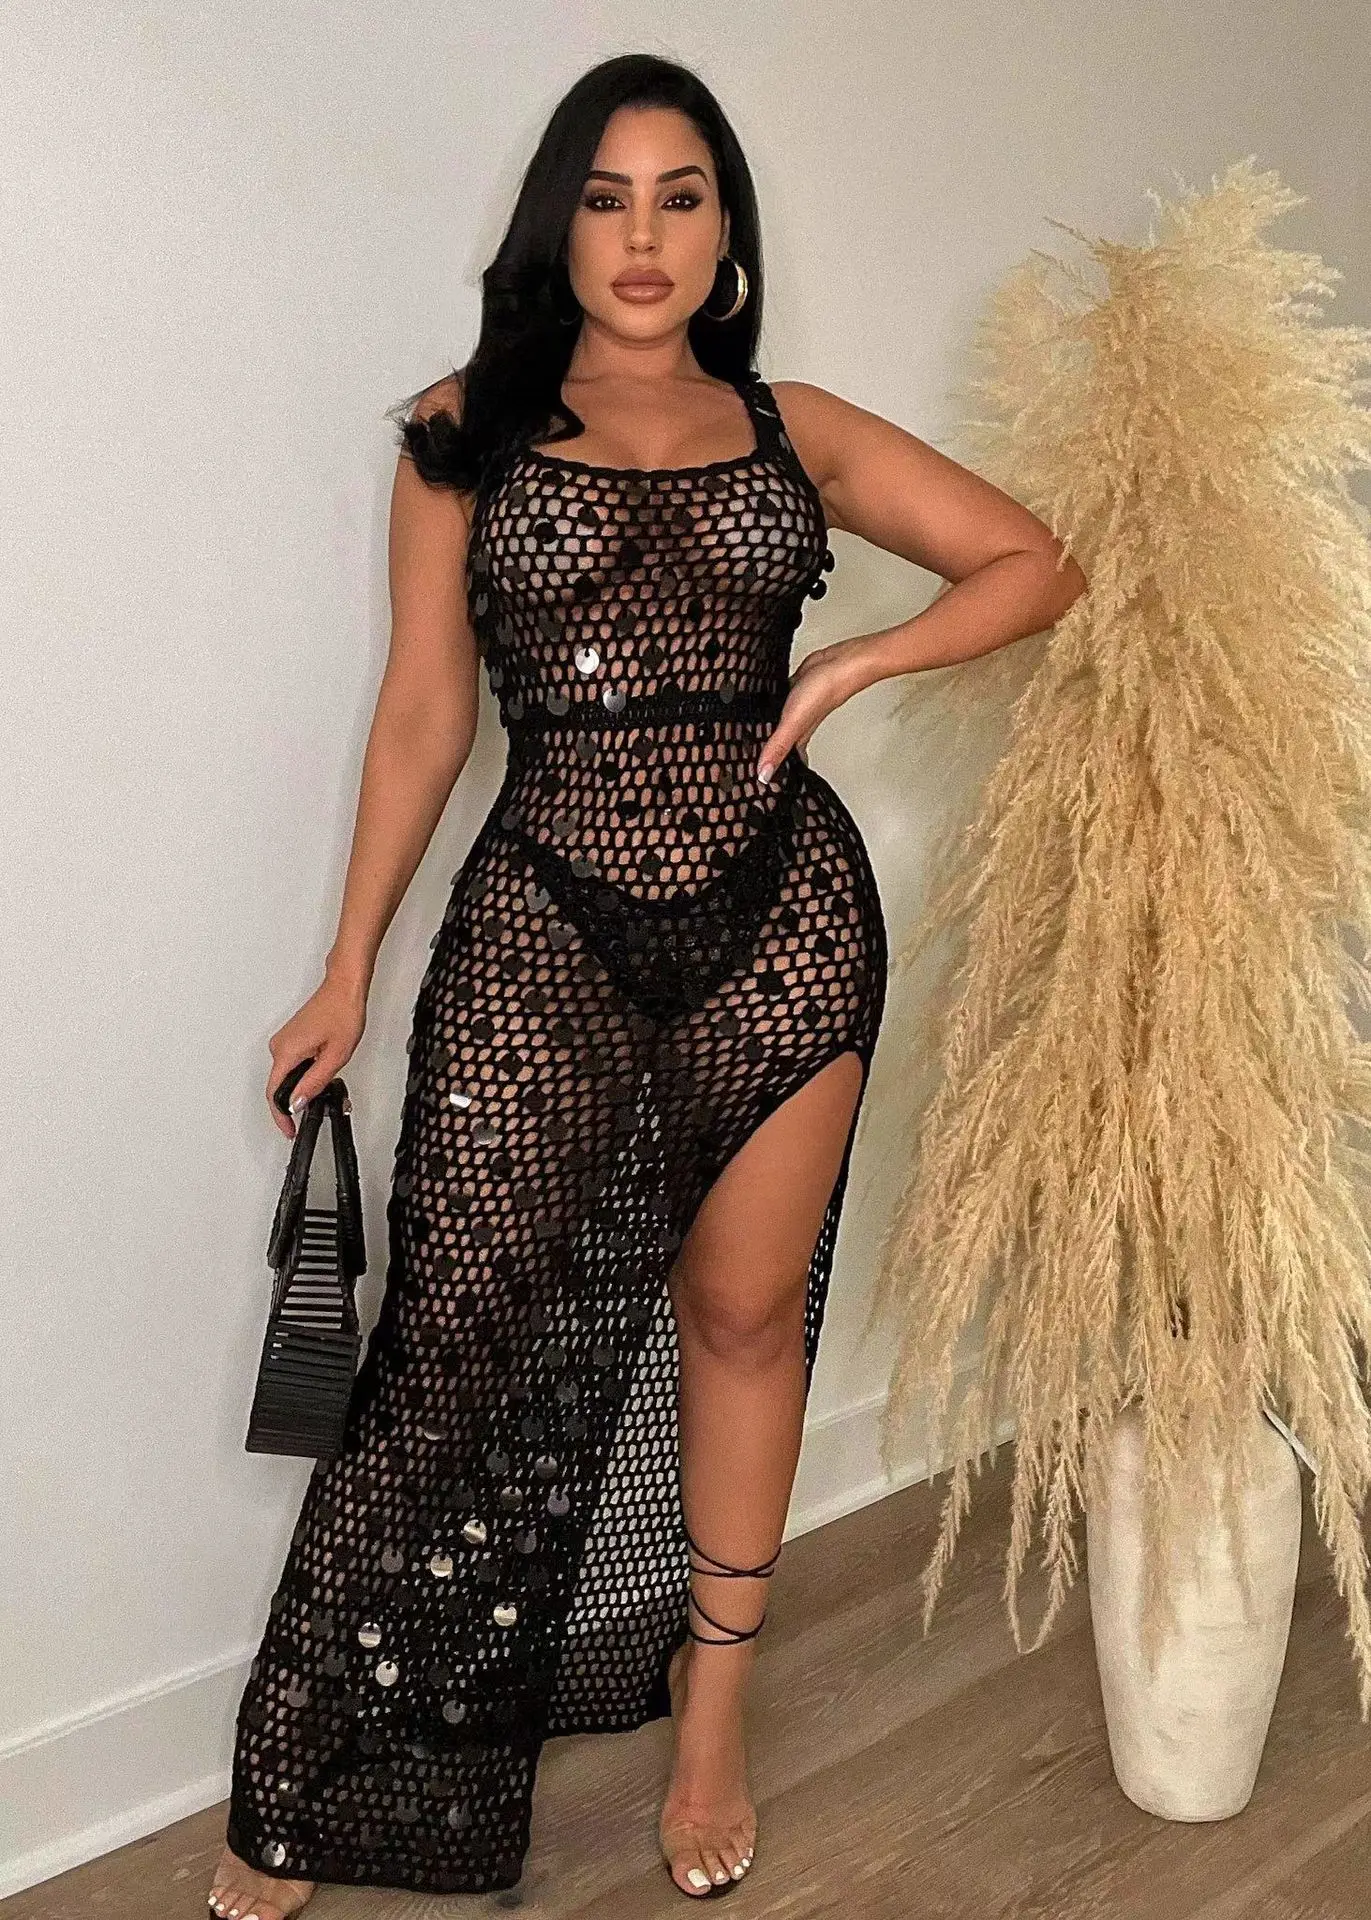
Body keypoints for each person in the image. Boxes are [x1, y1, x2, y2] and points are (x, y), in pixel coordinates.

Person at [208, 49, 1087, 1919]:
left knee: (744, 1320)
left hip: (783, 931)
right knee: (454, 1333)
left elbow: (1034, 562)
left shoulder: (793, 428)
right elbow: (425, 713)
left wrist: (851, 668)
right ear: (557, 226)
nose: (642, 235)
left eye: (681, 197)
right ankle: (325, 1773)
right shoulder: (461, 430)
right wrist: (347, 966)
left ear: (726, 235)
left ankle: (712, 1722)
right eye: (605, 198)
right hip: (544, 928)